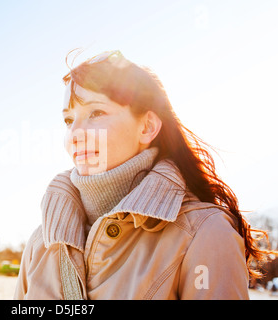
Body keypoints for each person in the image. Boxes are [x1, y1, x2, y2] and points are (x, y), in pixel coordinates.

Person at [14, 49, 274, 300]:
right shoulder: (42, 241)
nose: (75, 134)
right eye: (69, 120)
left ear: (147, 127)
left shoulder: (205, 233)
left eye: (96, 113)